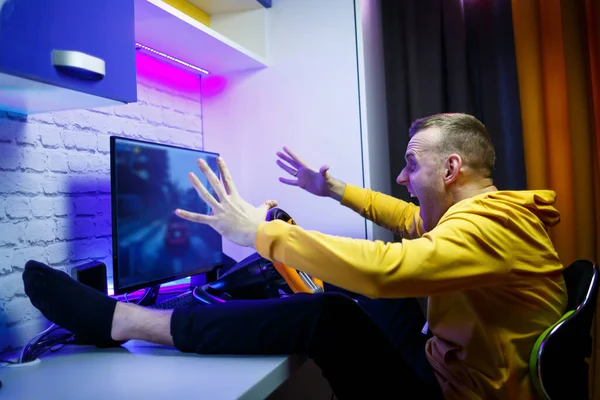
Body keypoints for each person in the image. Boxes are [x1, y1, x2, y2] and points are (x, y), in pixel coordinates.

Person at [22, 113, 567, 400]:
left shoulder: (493, 226)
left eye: (411, 165)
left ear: (450, 170)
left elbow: (386, 271)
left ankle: (122, 320)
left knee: (327, 315)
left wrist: (261, 234)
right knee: (344, 290)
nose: (402, 178)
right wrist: (330, 189)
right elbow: (402, 220)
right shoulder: (481, 215)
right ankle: (283, 295)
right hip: (448, 368)